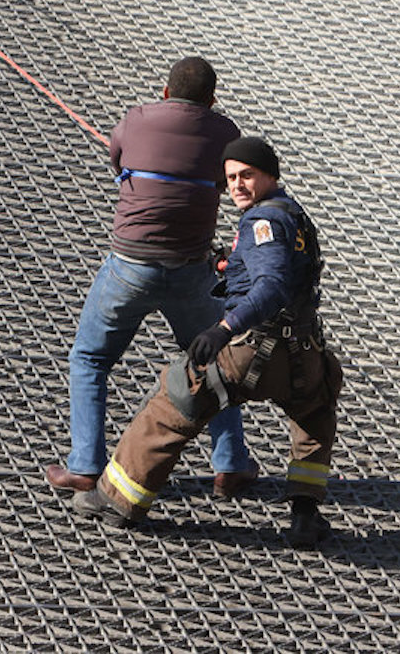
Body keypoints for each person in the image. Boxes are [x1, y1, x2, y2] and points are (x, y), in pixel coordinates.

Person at [72, 136, 344, 548]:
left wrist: (224, 328)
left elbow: (271, 285)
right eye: (231, 177)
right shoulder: (293, 214)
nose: (236, 185)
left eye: (247, 176)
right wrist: (230, 263)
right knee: (315, 415)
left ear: (271, 174)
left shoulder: (261, 223)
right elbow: (282, 269)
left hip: (253, 350)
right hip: (304, 355)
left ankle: (117, 500)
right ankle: (305, 514)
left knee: (172, 403)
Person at [46, 58, 257, 498]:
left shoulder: (137, 118)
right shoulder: (224, 132)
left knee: (89, 359)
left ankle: (84, 466)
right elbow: (229, 181)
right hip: (192, 270)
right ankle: (231, 466)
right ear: (212, 100)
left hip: (130, 267)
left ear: (165, 92)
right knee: (214, 362)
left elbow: (117, 160)